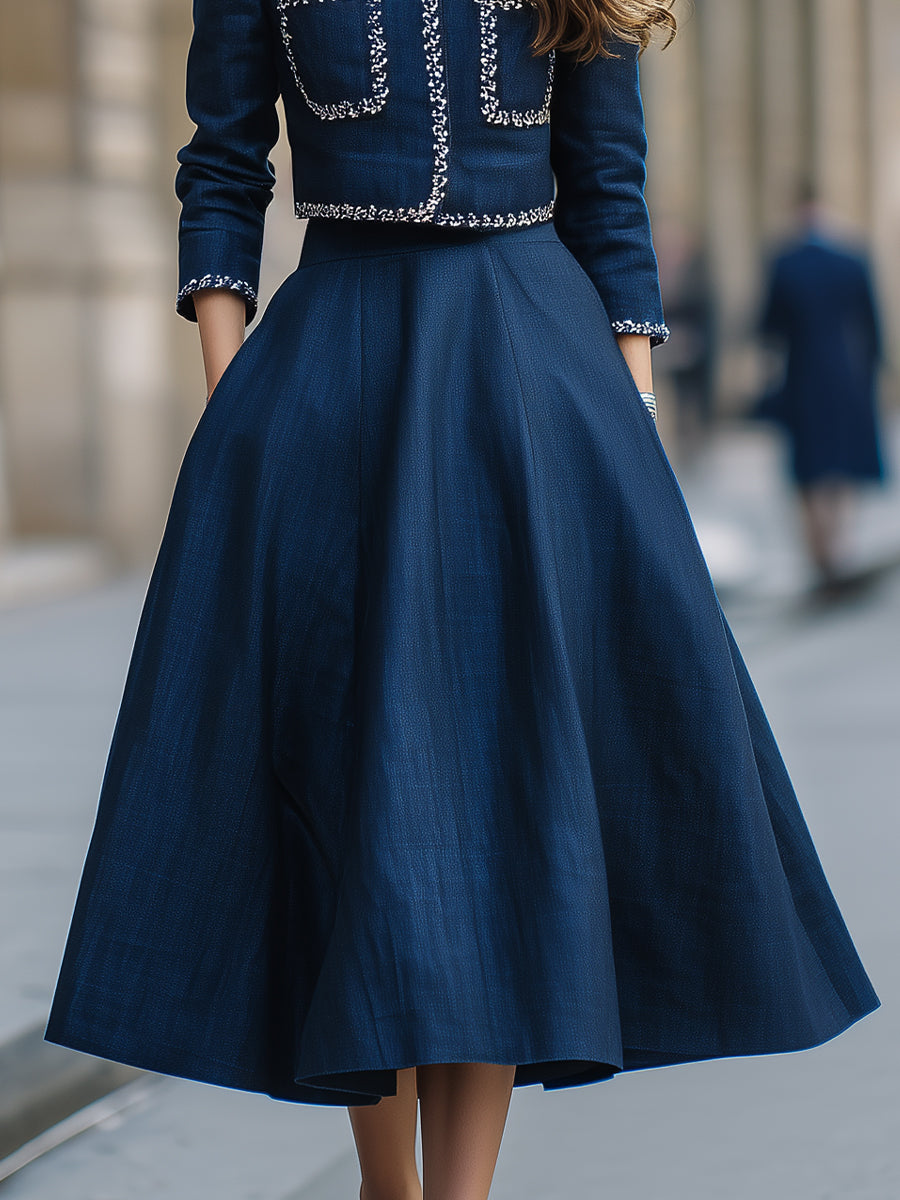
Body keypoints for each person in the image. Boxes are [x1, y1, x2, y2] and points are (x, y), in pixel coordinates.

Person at [45, 2, 878, 1197]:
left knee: (494, 820)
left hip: (528, 393)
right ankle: (393, 1187)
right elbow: (221, 170)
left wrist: (627, 430)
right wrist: (233, 416)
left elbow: (608, 195)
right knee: (354, 803)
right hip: (331, 394)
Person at [757, 181, 887, 593]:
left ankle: (821, 553)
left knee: (810, 466)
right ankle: (839, 545)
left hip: (802, 375)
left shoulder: (785, 260)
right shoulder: (851, 256)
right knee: (841, 463)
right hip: (846, 373)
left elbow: (769, 327)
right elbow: (872, 324)